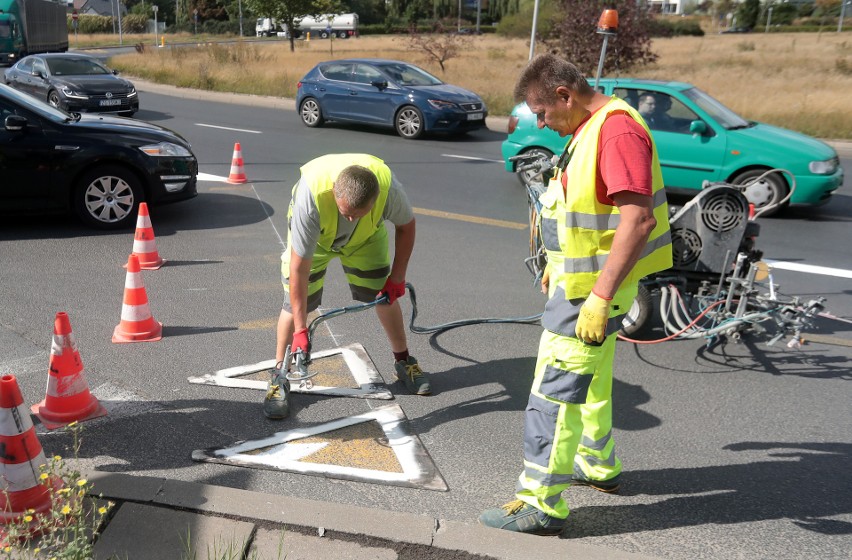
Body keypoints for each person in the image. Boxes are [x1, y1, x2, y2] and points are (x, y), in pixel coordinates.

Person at [479, 54, 672, 535]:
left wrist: (599, 298)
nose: (542, 124)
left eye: (543, 113)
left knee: (555, 395)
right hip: (580, 286)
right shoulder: (591, 127)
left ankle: (541, 501)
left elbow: (638, 220)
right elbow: (578, 211)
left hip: (590, 295)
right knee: (594, 381)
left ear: (565, 95)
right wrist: (557, 264)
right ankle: (597, 464)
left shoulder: (616, 132)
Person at [264, 154, 431, 420]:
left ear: (375, 200)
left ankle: (403, 361)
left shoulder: (389, 190)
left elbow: (406, 227)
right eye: (347, 213)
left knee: (384, 297)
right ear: (334, 193)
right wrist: (300, 330)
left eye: (359, 214)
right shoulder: (313, 197)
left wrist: (397, 278)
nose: (351, 219)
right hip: (316, 241)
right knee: (294, 303)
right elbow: (299, 269)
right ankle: (278, 376)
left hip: (365, 240)